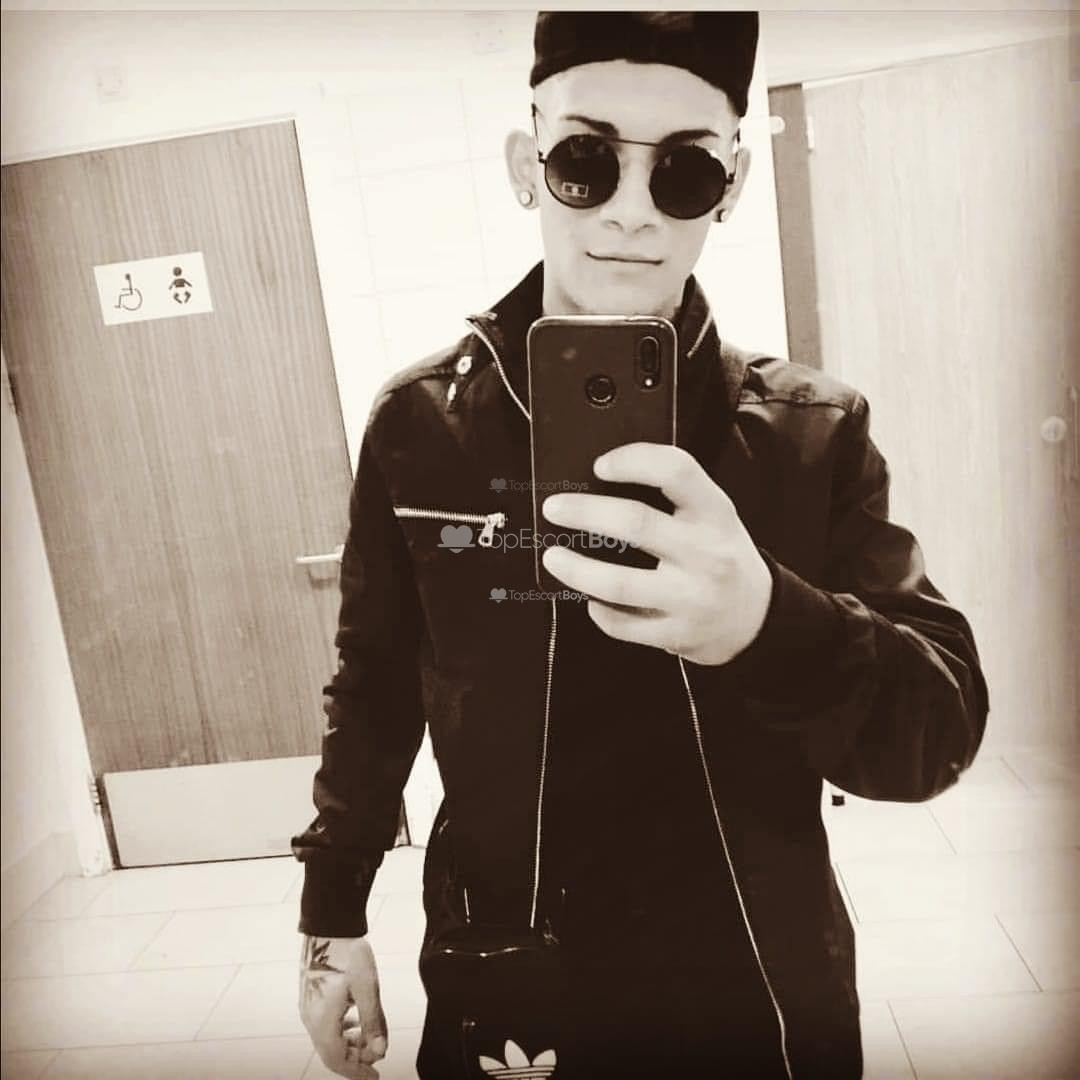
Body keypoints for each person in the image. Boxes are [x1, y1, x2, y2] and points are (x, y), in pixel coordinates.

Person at [292, 11, 990, 1079]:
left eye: (683, 172)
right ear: (526, 164)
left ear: (732, 184)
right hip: (511, 982)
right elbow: (375, 686)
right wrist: (331, 913)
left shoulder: (809, 434)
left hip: (755, 989)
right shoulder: (420, 427)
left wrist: (767, 623)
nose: (629, 210)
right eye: (585, 160)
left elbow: (935, 734)